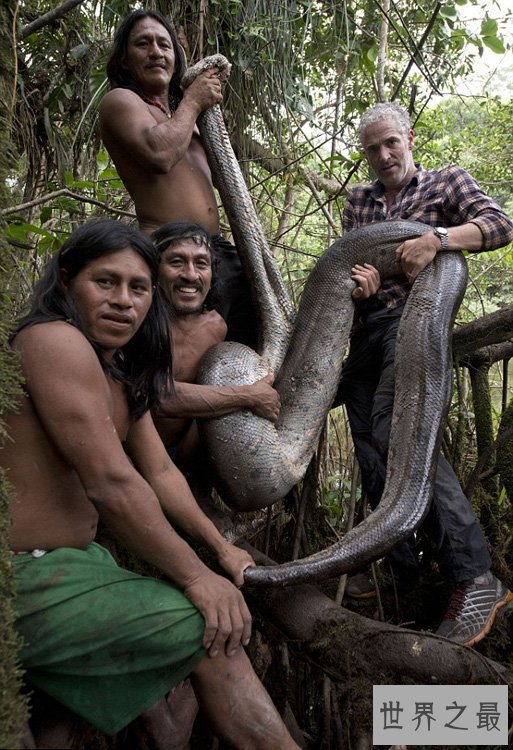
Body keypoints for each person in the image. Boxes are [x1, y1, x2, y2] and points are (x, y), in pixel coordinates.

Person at [3, 218, 300, 749]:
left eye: (137, 288)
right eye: (105, 282)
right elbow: (111, 482)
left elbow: (159, 473)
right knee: (209, 630)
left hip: (77, 565)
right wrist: (194, 578)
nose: (124, 301)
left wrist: (221, 551)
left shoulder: (116, 370)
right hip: (21, 573)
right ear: (67, 279)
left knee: (56, 719)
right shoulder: (52, 340)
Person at [337, 102, 513, 646]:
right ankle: (401, 563)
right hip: (367, 331)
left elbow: (500, 224)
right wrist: (359, 283)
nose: (385, 155)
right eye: (373, 148)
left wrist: (437, 238)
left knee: (400, 433)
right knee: (367, 444)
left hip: (415, 323)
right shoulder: (359, 202)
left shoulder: (444, 184)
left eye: (392, 142)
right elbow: (346, 267)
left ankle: (474, 574)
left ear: (410, 138)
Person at [99, 8, 257, 348]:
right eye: (143, 44)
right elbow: (159, 154)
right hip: (169, 252)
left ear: (175, 58)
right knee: (185, 356)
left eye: (164, 45)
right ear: (125, 60)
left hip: (215, 253)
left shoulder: (184, 119)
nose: (156, 52)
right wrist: (194, 100)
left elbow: (224, 179)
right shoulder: (121, 101)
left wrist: (205, 119)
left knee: (246, 348)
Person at [151, 221, 279, 482]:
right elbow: (158, 395)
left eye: (201, 264)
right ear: (155, 270)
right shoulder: (143, 320)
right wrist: (249, 396)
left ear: (212, 273)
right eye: (176, 262)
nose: (190, 275)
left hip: (189, 456)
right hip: (139, 455)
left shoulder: (216, 326)